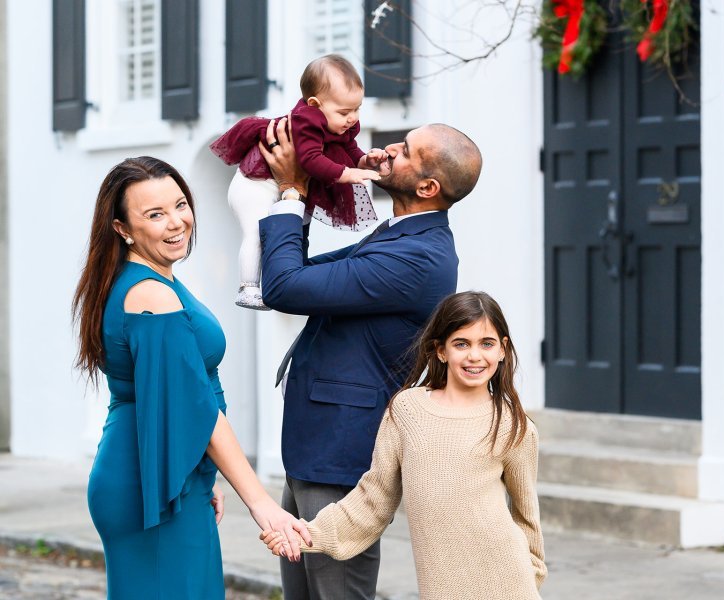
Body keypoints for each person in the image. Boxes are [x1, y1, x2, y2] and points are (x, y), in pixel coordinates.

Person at [256, 117, 483, 599]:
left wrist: (292, 192)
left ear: (427, 186)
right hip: (316, 447)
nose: (388, 148)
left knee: (338, 593)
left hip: (341, 453)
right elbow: (296, 274)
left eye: (405, 150)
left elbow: (285, 286)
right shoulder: (400, 233)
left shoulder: (419, 257)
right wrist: (315, 181)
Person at [71, 157, 310, 599]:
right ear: (123, 228)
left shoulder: (144, 280)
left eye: (180, 204)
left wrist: (200, 473)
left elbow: (174, 403)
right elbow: (195, 405)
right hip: (149, 483)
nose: (177, 222)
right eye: (154, 214)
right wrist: (261, 504)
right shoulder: (150, 296)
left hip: (166, 469)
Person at [261, 291, 547, 600]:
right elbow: (373, 500)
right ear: (440, 351)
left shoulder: (513, 425)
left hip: (508, 583)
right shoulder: (407, 411)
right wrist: (309, 534)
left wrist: (530, 580)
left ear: (503, 350)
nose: (475, 355)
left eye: (486, 343)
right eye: (461, 343)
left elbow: (527, 520)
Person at [210, 54, 385, 309]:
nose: (352, 118)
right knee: (256, 235)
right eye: (345, 111)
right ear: (315, 104)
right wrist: (346, 174)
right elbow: (311, 159)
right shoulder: (307, 120)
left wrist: (364, 161)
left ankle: (291, 271)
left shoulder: (340, 124)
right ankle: (247, 287)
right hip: (254, 184)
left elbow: (349, 150)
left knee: (298, 223)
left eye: (357, 109)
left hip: (281, 184)